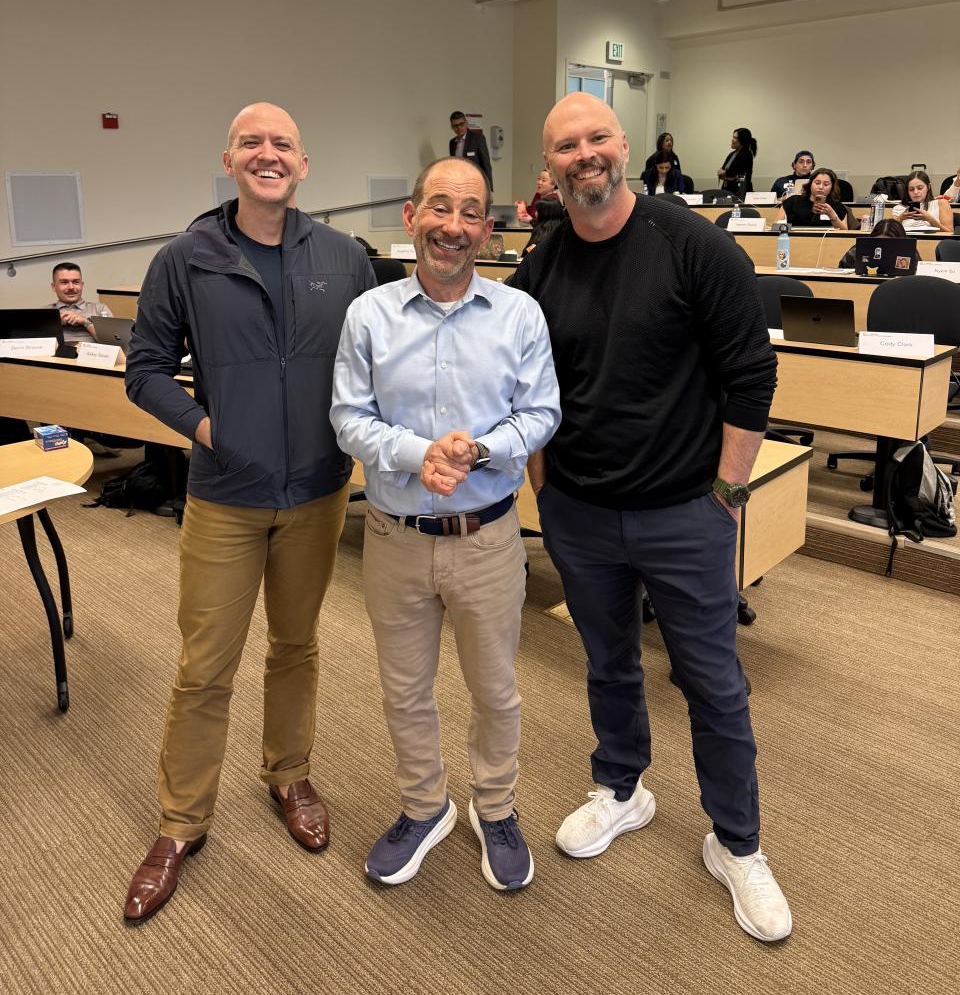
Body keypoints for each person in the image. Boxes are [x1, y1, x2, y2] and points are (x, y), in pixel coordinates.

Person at [510, 91, 792, 943]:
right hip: (581, 513)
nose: (584, 155)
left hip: (685, 513)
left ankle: (737, 844)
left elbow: (752, 378)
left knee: (712, 683)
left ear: (624, 146)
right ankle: (622, 788)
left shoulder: (693, 246)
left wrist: (728, 494)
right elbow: (518, 383)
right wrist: (544, 486)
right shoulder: (543, 264)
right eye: (566, 145)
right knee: (606, 662)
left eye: (597, 138)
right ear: (548, 167)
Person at [122, 102, 375, 925]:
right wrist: (205, 429)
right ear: (229, 159)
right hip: (225, 496)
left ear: (304, 165)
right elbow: (146, 368)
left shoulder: (343, 257)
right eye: (253, 143)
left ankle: (288, 774)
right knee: (204, 667)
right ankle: (179, 824)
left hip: (318, 492)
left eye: (283, 145)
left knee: (296, 646)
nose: (268, 155)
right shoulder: (183, 259)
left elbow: (381, 358)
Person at [330, 157, 559, 891]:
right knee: (404, 691)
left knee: (496, 692)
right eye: (439, 209)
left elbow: (543, 412)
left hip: (489, 540)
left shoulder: (519, 313)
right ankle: (425, 808)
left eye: (469, 214)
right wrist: (413, 455)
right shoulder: (369, 314)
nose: (452, 228)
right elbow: (347, 418)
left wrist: (484, 448)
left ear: (487, 228)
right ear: (411, 216)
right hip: (395, 541)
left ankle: (495, 808)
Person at [49, 261, 113, 342]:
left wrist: (85, 322)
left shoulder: (100, 309)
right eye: (64, 282)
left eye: (76, 282)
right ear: (54, 287)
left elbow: (112, 343)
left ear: (82, 285)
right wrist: (53, 323)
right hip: (55, 354)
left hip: (91, 353)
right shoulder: (42, 313)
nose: (71, 287)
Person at [781, 167, 855, 229]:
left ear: (832, 187)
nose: (821, 187)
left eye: (826, 184)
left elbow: (845, 232)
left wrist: (832, 214)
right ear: (810, 184)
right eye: (817, 183)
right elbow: (776, 226)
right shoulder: (793, 201)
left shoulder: (837, 206)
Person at [448, 110, 493, 191]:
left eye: (461, 124)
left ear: (466, 123)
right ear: (452, 127)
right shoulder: (452, 143)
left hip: (476, 185)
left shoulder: (478, 138)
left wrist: (489, 189)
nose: (459, 128)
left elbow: (486, 165)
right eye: (455, 126)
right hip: (459, 186)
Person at [838, 217, 906, 269]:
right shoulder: (857, 250)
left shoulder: (909, 251)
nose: (883, 247)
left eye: (889, 244)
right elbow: (842, 271)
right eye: (878, 242)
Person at [717, 128, 756, 195]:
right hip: (727, 190)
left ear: (742, 140)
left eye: (735, 138)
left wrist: (726, 174)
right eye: (733, 137)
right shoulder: (732, 154)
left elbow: (739, 175)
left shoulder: (746, 154)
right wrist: (726, 174)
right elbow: (722, 173)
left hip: (740, 192)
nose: (732, 140)